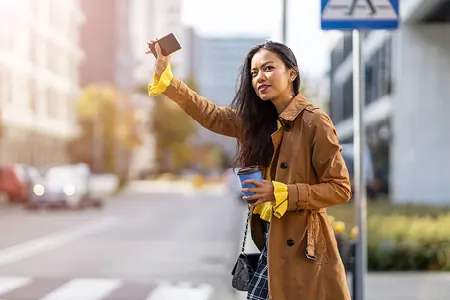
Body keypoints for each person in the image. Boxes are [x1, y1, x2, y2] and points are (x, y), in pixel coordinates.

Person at [147, 39, 352, 300]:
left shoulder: (314, 122)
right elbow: (210, 113)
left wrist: (280, 193)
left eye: (268, 68)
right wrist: (167, 77)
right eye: (254, 73)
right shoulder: (256, 122)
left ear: (292, 73)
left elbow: (340, 188)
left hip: (303, 251)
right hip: (272, 243)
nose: (259, 77)